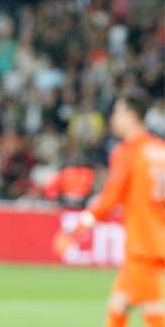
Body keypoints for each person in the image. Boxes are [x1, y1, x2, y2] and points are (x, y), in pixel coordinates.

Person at [70, 94, 165, 327]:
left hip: (143, 246)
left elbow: (111, 197)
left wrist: (82, 224)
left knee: (154, 313)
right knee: (119, 304)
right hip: (157, 240)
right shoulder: (160, 149)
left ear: (131, 116)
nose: (113, 118)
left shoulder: (127, 151)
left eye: (117, 113)